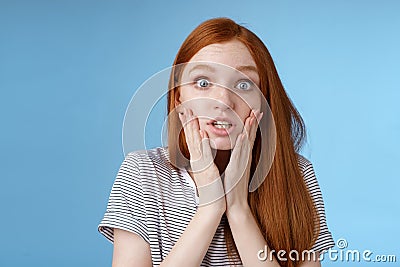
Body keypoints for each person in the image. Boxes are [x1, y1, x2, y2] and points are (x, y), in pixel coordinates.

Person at [98, 17, 334, 267]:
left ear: (264, 99)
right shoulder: (143, 172)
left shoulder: (297, 173)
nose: (223, 101)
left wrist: (239, 208)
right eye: (203, 83)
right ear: (179, 99)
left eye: (244, 84)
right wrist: (210, 207)